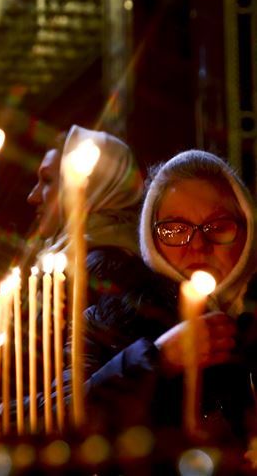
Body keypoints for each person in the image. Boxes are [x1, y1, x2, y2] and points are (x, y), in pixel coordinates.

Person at [84, 150, 256, 442]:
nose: (198, 245)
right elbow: (57, 417)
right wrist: (156, 359)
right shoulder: (110, 321)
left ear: (248, 230)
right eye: (175, 229)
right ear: (151, 239)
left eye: (218, 227)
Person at [27, 125, 148, 305]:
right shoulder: (70, 257)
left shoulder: (106, 269)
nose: (32, 197)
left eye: (47, 180)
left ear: (93, 187)